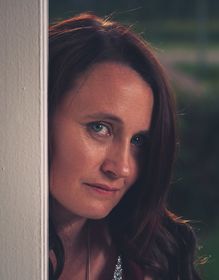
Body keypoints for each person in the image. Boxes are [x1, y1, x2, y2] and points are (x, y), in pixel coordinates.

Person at [48, 13, 202, 280]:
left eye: (138, 141)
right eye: (100, 128)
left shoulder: (162, 255)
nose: (121, 168)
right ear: (40, 116)